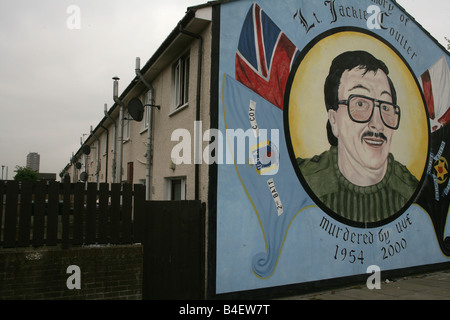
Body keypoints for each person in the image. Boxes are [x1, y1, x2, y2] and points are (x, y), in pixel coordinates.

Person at [297, 50, 418, 223]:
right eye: (360, 104)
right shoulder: (302, 180)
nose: (377, 124)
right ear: (334, 120)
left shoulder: (414, 193)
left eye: (385, 107)